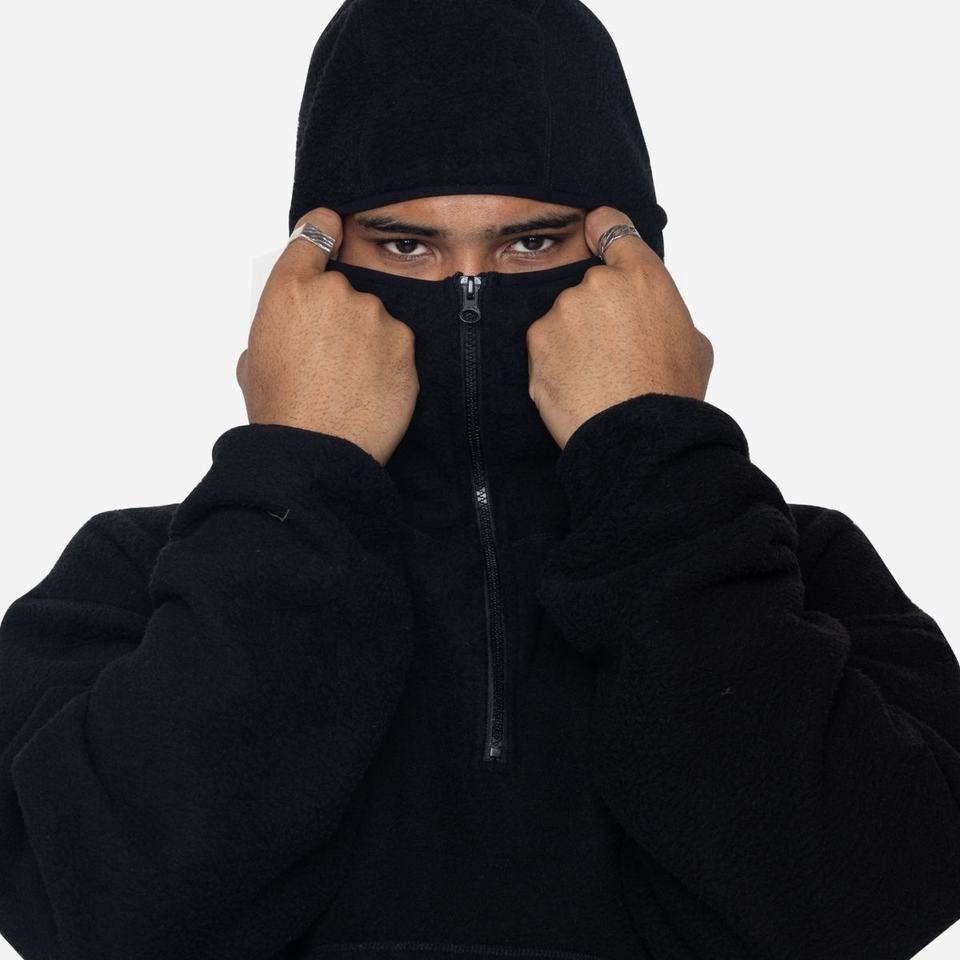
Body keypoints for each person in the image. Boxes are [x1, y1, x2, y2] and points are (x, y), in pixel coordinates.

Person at [2, 2, 959, 960]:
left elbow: (865, 908)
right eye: (404, 246)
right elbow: (97, 918)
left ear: (633, 266)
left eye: (532, 243)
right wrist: (298, 480)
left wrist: (655, 462)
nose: (473, 287)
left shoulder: (791, 568)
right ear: (313, 268)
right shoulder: (136, 576)